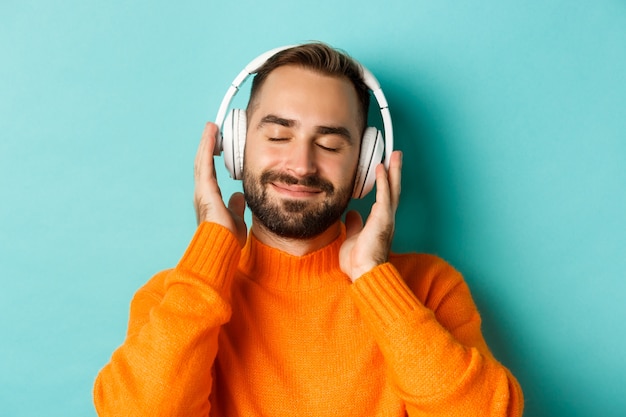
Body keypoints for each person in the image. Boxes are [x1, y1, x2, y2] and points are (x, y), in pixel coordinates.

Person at [93, 42, 524, 416]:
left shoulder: (428, 289)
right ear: (236, 148)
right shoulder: (176, 298)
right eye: (278, 136)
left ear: (364, 165)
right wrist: (210, 254)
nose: (301, 165)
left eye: (330, 144)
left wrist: (374, 280)